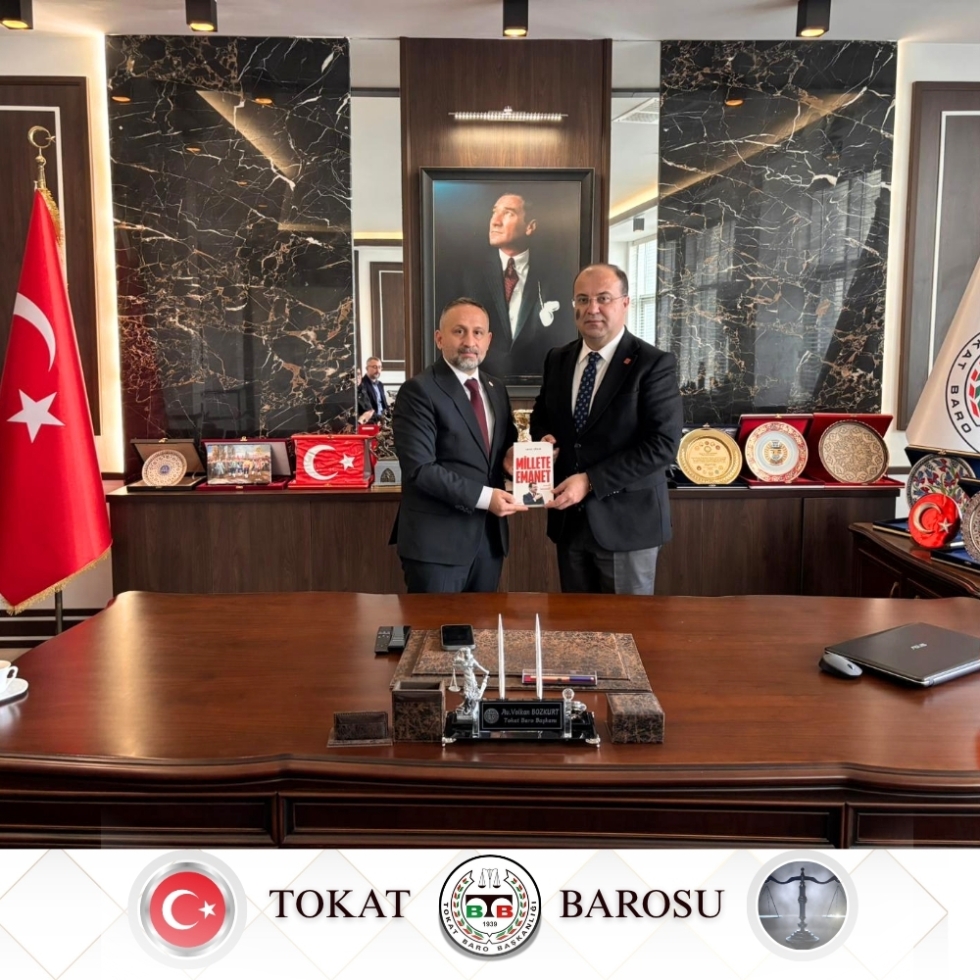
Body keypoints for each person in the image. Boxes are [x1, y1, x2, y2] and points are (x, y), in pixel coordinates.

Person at [530, 263, 683, 595]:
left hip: (627, 526)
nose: (592, 308)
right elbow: (541, 416)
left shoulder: (652, 364)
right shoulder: (557, 359)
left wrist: (590, 481)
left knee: (624, 625)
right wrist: (544, 438)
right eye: (583, 299)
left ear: (625, 303)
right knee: (575, 624)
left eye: (603, 298)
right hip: (569, 524)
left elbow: (662, 445)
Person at [390, 298, 526, 593]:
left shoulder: (496, 389)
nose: (469, 342)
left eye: (478, 333)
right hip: (436, 547)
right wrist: (487, 497)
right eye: (459, 331)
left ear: (488, 340)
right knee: (435, 624)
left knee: (483, 623)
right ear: (439, 338)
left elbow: (501, 452)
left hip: (489, 542)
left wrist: (516, 460)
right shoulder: (419, 391)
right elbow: (420, 470)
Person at [460, 193, 575, 381]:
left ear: (530, 227)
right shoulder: (469, 273)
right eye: (494, 212)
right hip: (480, 384)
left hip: (539, 383)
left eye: (508, 213)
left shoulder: (557, 274)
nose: (495, 222)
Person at [358, 357, 388, 423]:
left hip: (383, 420)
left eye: (379, 367)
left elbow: (384, 405)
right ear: (367, 368)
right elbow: (366, 408)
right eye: (375, 367)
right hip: (371, 421)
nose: (378, 370)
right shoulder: (361, 384)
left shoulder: (380, 384)